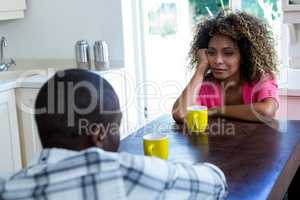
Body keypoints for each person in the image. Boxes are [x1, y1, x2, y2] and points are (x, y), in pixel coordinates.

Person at [0, 69, 227, 200]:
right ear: (98, 135)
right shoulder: (124, 172)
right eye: (116, 126)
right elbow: (216, 183)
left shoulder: (7, 187)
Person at [172, 10, 279, 123]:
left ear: (244, 55)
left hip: (257, 140)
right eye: (211, 53)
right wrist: (201, 69)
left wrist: (217, 111)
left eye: (228, 53)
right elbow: (180, 113)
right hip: (217, 140)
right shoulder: (207, 84)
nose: (217, 61)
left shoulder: (261, 78)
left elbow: (267, 111)